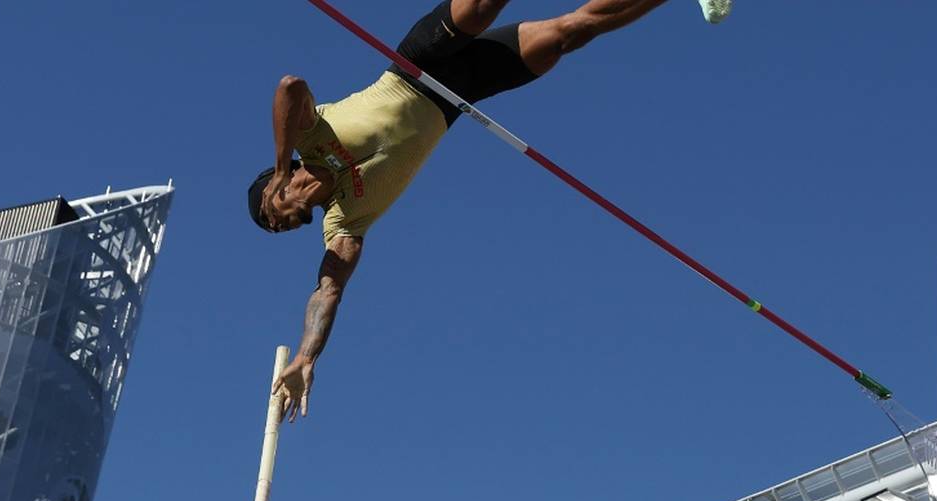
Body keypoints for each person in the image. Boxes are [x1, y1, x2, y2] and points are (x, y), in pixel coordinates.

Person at [248, 0, 728, 422]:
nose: (282, 226)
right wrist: (308, 354)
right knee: (568, 35)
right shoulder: (343, 220)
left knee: (482, 5)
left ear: (277, 183)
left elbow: (291, 87)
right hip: (459, 95)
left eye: (271, 218)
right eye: (277, 230)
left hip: (417, 64)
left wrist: (277, 163)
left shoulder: (309, 137)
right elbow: (327, 290)